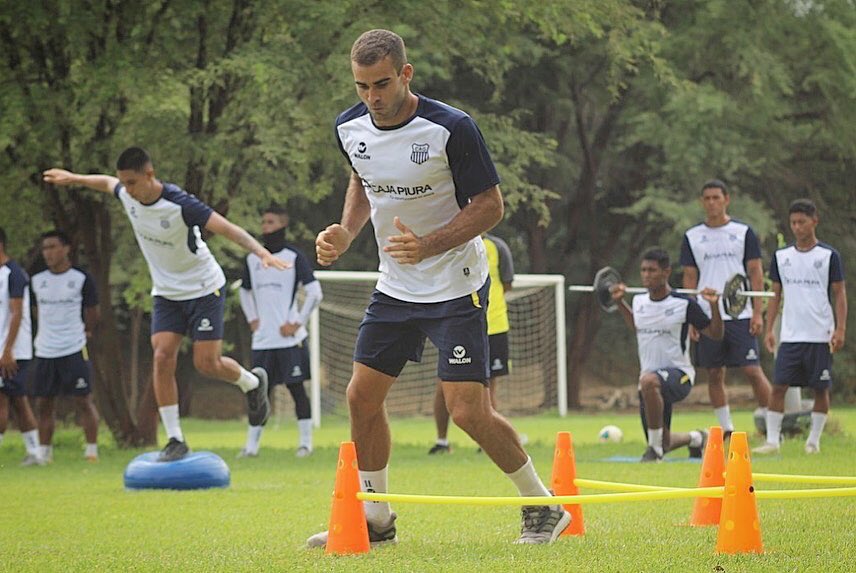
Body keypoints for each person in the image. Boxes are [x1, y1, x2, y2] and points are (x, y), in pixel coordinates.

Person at [309, 29, 569, 547]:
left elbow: (491, 206)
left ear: (405, 74)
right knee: (361, 397)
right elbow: (363, 179)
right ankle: (377, 520)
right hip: (395, 288)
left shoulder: (452, 128)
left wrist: (429, 245)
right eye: (362, 86)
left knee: (467, 411)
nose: (373, 97)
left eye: (382, 83)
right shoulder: (348, 126)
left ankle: (543, 508)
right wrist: (346, 230)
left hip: (456, 286)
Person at [43, 147, 287, 462]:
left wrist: (262, 253)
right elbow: (105, 183)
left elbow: (228, 228)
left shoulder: (180, 203)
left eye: (132, 182)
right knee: (161, 357)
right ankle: (175, 438)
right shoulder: (127, 195)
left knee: (206, 363)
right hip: (167, 293)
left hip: (203, 288)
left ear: (149, 174)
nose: (127, 190)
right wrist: (73, 178)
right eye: (124, 183)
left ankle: (252, 382)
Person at [611, 248, 723, 462]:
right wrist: (619, 302)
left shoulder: (684, 303)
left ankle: (654, 451)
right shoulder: (638, 302)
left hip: (679, 375)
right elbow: (638, 327)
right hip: (649, 383)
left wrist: (714, 306)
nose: (646, 275)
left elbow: (715, 334)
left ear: (666, 272)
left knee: (649, 382)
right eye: (643, 270)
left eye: (652, 270)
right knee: (665, 439)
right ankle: (697, 438)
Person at [753, 199, 846, 455]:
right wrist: (770, 328)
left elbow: (839, 294)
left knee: (820, 388)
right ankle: (773, 441)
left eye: (802, 222)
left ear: (814, 221)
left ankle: (813, 441)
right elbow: (775, 295)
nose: (797, 227)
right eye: (793, 222)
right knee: (779, 386)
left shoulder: (828, 256)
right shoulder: (782, 257)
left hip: (819, 334)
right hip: (791, 335)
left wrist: (840, 329)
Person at [680, 179, 772, 436]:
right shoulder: (692, 237)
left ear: (726, 199)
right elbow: (689, 278)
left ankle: (773, 428)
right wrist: (692, 318)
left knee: (752, 370)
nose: (712, 202)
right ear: (702, 202)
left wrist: (757, 311)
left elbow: (755, 271)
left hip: (739, 313)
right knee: (714, 372)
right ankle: (727, 430)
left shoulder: (743, 232)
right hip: (708, 316)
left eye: (716, 198)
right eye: (707, 198)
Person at [237, 205, 323, 458]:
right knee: (258, 393)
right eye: (263, 222)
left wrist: (297, 322)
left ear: (283, 225)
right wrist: (253, 318)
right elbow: (244, 291)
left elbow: (315, 293)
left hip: (290, 341)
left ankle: (305, 444)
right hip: (263, 341)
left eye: (271, 222)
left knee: (297, 390)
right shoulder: (253, 259)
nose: (265, 227)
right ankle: (251, 447)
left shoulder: (294, 257)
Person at [429, 232, 514, 454]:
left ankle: (486, 443)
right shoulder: (449, 242)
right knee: (443, 385)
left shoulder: (498, 247)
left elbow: (506, 284)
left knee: (488, 388)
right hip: (456, 326)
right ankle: (442, 441)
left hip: (494, 326)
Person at [30, 231, 101, 462]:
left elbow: (92, 311)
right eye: (44, 249)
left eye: (52, 247)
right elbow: (35, 310)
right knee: (43, 402)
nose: (48, 253)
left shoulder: (81, 278)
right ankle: (44, 453)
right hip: (45, 349)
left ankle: (91, 451)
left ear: (66, 248)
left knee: (83, 400)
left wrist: (86, 330)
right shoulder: (37, 280)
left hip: (73, 347)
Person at [0, 228, 44, 465]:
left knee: (9, 398)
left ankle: (35, 452)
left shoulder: (13, 274)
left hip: (12, 351)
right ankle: (34, 452)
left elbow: (17, 313)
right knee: (16, 399)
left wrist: (8, 350)